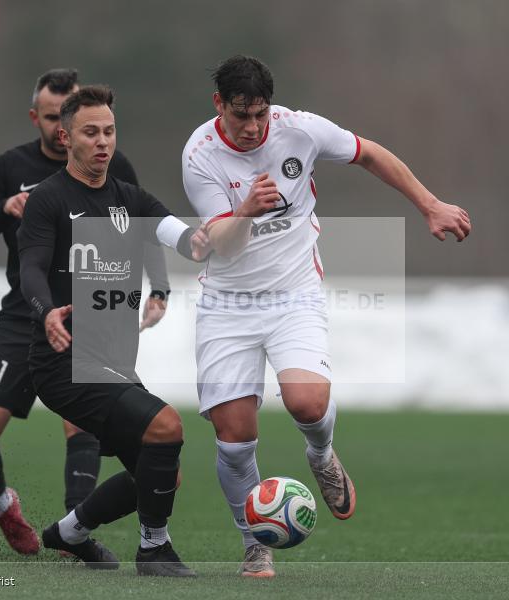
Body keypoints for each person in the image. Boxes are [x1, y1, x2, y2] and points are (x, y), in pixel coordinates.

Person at [181, 55, 472, 577]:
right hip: (228, 305)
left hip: (294, 294)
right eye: (241, 115)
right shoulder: (200, 154)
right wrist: (245, 210)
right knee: (235, 439)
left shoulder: (300, 130)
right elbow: (220, 245)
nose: (253, 127)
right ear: (218, 104)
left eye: (260, 115)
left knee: (307, 403)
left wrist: (429, 205)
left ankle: (321, 455)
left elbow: (369, 153)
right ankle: (254, 543)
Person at [0, 68, 170, 560]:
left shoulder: (113, 166)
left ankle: (74, 534)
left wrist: (159, 286)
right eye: (52, 117)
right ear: (36, 118)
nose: (61, 127)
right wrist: (5, 208)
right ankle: (3, 505)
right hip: (25, 314)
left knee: (87, 426)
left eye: (68, 118)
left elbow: (145, 226)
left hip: (91, 316)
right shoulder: (12, 166)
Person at [18, 85, 210, 577]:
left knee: (161, 472)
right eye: (90, 132)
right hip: (64, 363)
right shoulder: (48, 200)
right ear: (65, 138)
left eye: (109, 131)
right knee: (167, 426)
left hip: (113, 362)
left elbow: (189, 242)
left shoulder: (131, 199)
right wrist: (46, 311)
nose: (102, 141)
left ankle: (69, 533)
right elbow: (31, 269)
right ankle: (154, 550)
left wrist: (238, 217)